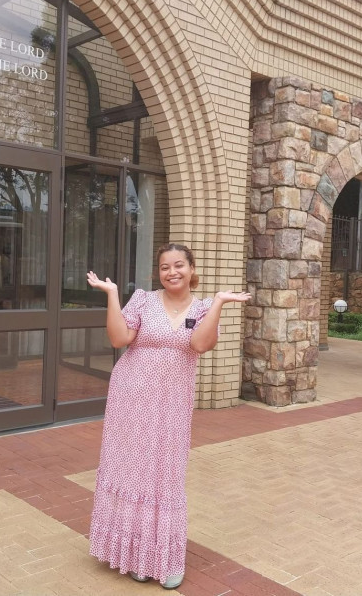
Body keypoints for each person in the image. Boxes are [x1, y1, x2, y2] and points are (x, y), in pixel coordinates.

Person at [85, 243, 250, 589]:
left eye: (178, 265)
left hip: (172, 405)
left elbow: (201, 345)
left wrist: (219, 302)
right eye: (164, 267)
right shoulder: (143, 300)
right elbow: (119, 338)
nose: (171, 272)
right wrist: (113, 294)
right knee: (132, 471)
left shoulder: (204, 307)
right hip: (130, 400)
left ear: (192, 269)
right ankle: (134, 555)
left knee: (164, 475)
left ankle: (162, 556)